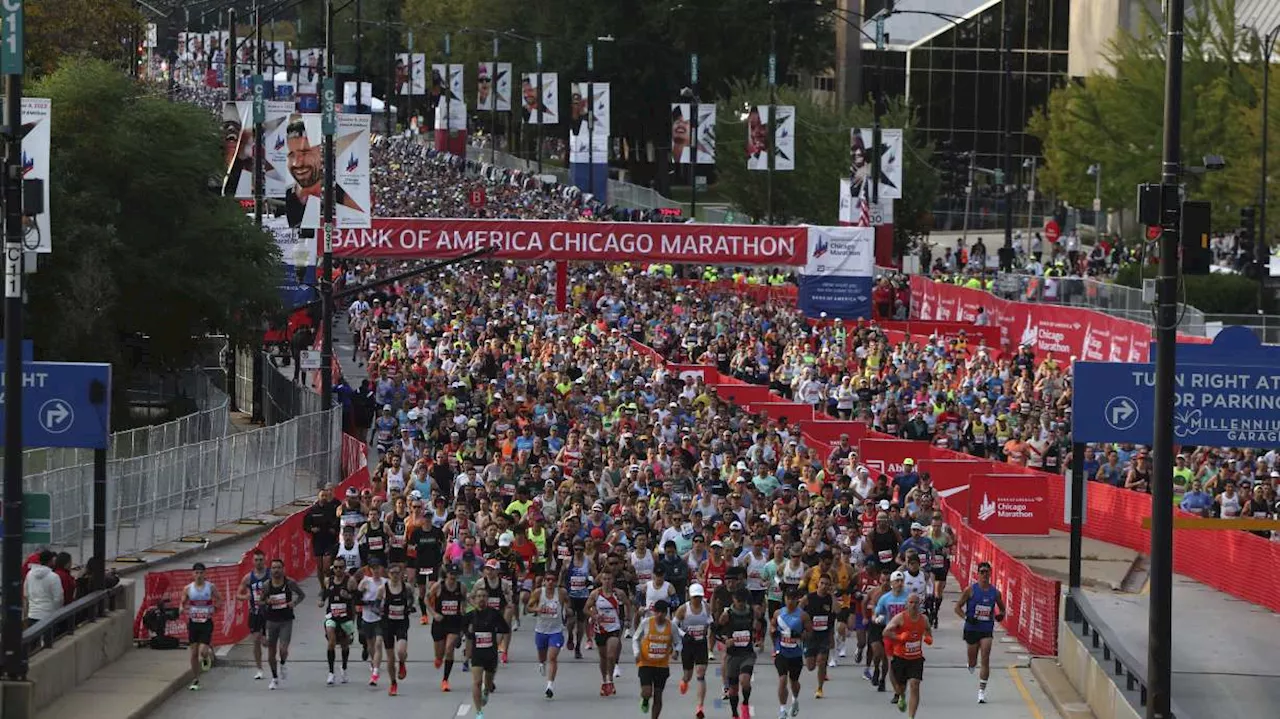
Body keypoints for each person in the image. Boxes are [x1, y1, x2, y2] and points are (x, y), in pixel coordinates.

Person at [954, 561, 1006, 704]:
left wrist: (1001, 615)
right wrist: (967, 617)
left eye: (986, 572)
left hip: (986, 629)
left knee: (985, 657)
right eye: (982, 572)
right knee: (973, 660)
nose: (984, 574)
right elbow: (957, 607)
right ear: (978, 574)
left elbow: (1002, 609)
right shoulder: (970, 590)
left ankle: (981, 692)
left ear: (990, 574)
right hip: (971, 628)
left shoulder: (995, 592)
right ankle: (970, 664)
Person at [258, 558, 305, 690]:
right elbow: (260, 602)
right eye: (274, 568)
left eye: (279, 567)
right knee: (271, 653)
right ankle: (274, 678)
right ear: (270, 570)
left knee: (283, 649)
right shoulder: (267, 585)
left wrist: (293, 603)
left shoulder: (290, 583)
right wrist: (267, 601)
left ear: (283, 569)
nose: (276, 570)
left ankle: (283, 663)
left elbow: (301, 595)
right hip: (271, 621)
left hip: (286, 620)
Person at [466, 584, 511, 719]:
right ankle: (479, 712)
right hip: (477, 654)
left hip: (491, 653)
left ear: (488, 599)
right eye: (479, 596)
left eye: (484, 596)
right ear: (474, 599)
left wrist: (497, 640)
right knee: (477, 682)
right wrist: (468, 634)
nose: (481, 599)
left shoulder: (494, 614)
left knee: (488, 683)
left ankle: (486, 691)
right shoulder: (470, 615)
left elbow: (505, 629)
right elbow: (462, 629)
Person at [886, 593, 932, 717]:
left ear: (920, 604)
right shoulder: (900, 618)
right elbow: (886, 632)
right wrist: (899, 637)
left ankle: (911, 716)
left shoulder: (924, 619)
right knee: (900, 687)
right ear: (906, 604)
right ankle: (901, 695)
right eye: (911, 602)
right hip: (900, 657)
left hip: (916, 658)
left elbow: (928, 630)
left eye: (916, 602)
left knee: (914, 684)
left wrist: (928, 637)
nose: (913, 605)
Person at [718, 587, 759, 719]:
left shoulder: (751, 612)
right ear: (734, 600)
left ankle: (745, 704)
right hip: (733, 655)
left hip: (747, 653)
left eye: (743, 601)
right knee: (733, 689)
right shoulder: (727, 614)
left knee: (745, 681)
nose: (740, 603)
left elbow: (761, 625)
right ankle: (734, 713)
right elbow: (716, 630)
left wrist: (758, 632)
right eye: (738, 600)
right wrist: (725, 640)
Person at [179, 562, 221, 691]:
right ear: (193, 574)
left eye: (201, 573)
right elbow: (183, 601)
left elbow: (219, 599)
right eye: (196, 573)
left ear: (205, 574)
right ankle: (196, 678)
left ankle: (206, 656)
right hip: (193, 623)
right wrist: (181, 608)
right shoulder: (188, 588)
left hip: (206, 623)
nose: (198, 575)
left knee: (202, 651)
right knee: (193, 653)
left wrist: (215, 608)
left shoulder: (210, 587)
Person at [587, 567, 627, 696]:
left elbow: (628, 604)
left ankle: (610, 680)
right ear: (601, 580)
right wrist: (594, 616)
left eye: (609, 579)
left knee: (611, 655)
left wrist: (627, 619)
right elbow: (586, 608)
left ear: (613, 580)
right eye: (604, 579)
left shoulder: (618, 593)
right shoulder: (596, 594)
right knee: (603, 657)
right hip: (600, 629)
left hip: (614, 628)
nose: (607, 581)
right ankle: (604, 681)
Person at [527, 571, 568, 698]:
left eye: (553, 580)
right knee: (542, 656)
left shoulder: (561, 593)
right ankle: (541, 663)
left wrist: (568, 612)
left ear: (556, 582)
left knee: (552, 657)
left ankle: (550, 685)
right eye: (548, 580)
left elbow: (568, 604)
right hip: (541, 630)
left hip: (556, 631)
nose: (550, 582)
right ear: (544, 581)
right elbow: (528, 608)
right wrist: (537, 609)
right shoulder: (539, 592)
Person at [674, 583, 712, 719]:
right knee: (688, 675)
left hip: (701, 643)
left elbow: (710, 620)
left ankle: (700, 707)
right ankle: (684, 681)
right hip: (688, 645)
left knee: (701, 674)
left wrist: (709, 628)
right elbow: (673, 626)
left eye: (699, 597)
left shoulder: (706, 607)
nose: (697, 599)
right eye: (695, 597)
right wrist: (684, 635)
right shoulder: (683, 609)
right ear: (690, 597)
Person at [428, 564, 468, 691]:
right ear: (447, 574)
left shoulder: (461, 587)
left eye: (455, 575)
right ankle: (439, 658)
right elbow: (426, 599)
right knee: (440, 654)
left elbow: (464, 601)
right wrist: (434, 614)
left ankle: (445, 680)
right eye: (451, 574)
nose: (452, 577)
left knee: (449, 649)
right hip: (440, 622)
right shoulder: (438, 586)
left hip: (454, 622)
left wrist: (463, 609)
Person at [772, 587, 810, 719]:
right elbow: (772, 627)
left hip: (796, 653)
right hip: (781, 651)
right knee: (782, 680)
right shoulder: (778, 614)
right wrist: (774, 633)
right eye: (788, 598)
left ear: (797, 600)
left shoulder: (803, 615)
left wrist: (800, 635)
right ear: (785, 599)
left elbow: (809, 633)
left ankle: (795, 700)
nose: (790, 601)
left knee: (794, 682)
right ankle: (782, 710)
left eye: (793, 599)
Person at [635, 598, 676, 718]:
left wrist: (676, 651)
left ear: (666, 613)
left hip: (662, 665)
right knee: (647, 692)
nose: (660, 615)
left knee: (658, 695)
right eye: (657, 612)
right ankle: (645, 700)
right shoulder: (646, 623)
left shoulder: (671, 626)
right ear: (654, 612)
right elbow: (636, 638)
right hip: (646, 663)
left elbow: (678, 641)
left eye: (663, 612)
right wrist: (637, 652)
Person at [379, 562, 414, 696]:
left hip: (401, 623)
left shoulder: (407, 587)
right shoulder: (383, 588)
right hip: (387, 624)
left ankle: (402, 663)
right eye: (392, 573)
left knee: (401, 650)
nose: (394, 575)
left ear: (401, 574)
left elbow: (411, 600)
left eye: (397, 573)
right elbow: (376, 604)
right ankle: (393, 683)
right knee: (390, 658)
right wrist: (379, 610)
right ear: (388, 574)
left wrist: (408, 607)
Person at [322, 559, 358, 685]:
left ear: (344, 568)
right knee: (331, 642)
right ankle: (331, 673)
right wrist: (322, 600)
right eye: (336, 567)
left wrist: (348, 596)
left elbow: (357, 597)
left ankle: (344, 668)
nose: (338, 570)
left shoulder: (350, 581)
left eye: (340, 567)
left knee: (344, 644)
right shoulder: (328, 581)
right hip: (332, 616)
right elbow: (325, 593)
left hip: (345, 617)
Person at [237, 550, 271, 680]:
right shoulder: (248, 578)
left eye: (261, 559)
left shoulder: (270, 575)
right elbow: (238, 594)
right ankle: (259, 669)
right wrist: (246, 596)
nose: (259, 562)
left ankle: (274, 660)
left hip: (269, 611)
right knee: (257, 640)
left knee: (267, 642)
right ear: (252, 561)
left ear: (265, 560)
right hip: (255, 612)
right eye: (256, 560)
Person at [303, 486, 341, 593]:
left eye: (326, 495)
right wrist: (311, 529)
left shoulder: (333, 508)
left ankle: (330, 585)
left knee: (326, 567)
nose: (324, 497)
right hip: (318, 541)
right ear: (318, 497)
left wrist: (334, 529)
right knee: (319, 567)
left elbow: (339, 520)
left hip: (330, 540)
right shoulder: (312, 510)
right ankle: (322, 588)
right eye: (322, 496)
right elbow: (305, 525)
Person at [358, 559, 388, 685]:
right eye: (373, 568)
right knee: (370, 645)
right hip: (367, 617)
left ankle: (375, 672)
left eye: (378, 568)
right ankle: (373, 661)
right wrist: (362, 592)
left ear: (381, 569)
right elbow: (357, 597)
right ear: (370, 570)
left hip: (380, 618)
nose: (376, 571)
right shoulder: (366, 581)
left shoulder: (386, 582)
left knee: (378, 644)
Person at [802, 574, 833, 698]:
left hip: (824, 635)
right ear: (818, 584)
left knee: (821, 661)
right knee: (810, 666)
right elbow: (798, 611)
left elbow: (837, 611)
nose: (824, 586)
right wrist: (802, 628)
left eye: (827, 584)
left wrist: (833, 596)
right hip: (810, 635)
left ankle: (820, 688)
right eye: (822, 583)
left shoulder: (830, 599)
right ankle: (821, 666)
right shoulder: (809, 597)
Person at [23, 550, 63, 629]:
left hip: (32, 614)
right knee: (49, 640)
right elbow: (59, 598)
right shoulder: (54, 577)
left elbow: (26, 594)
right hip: (49, 615)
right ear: (51, 561)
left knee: (33, 640)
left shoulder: (30, 574)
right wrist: (56, 611)